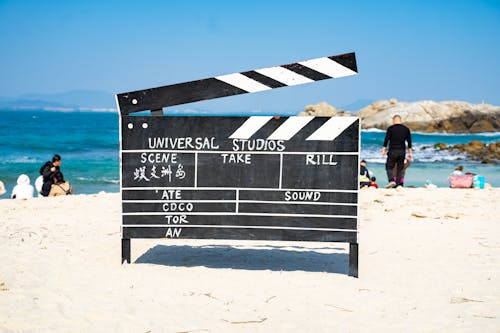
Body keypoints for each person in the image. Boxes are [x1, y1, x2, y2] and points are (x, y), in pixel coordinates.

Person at [382, 115, 412, 188]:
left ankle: (391, 180)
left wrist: (383, 150)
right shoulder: (406, 129)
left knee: (388, 167)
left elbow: (386, 140)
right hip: (402, 151)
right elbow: (409, 142)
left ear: (393, 120)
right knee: (400, 168)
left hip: (392, 150)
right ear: (400, 120)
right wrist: (410, 153)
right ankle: (398, 185)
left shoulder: (390, 128)